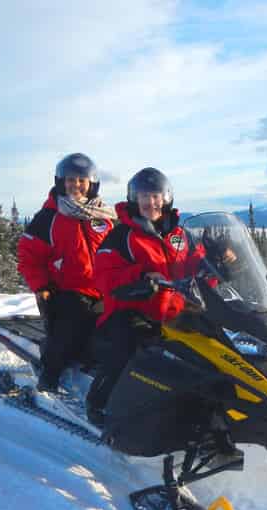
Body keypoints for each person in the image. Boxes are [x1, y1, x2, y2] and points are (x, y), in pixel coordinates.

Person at [86, 167, 210, 427]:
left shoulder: (179, 235)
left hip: (176, 311)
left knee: (211, 349)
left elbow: (198, 266)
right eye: (144, 196)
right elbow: (104, 276)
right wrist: (141, 276)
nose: (150, 202)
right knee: (128, 348)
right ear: (134, 198)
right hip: (132, 310)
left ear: (165, 198)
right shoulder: (122, 236)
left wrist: (221, 265)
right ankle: (99, 402)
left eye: (155, 196)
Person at [17, 153, 116, 392]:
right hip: (66, 290)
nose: (76, 185)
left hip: (104, 290)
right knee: (71, 328)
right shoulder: (49, 217)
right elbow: (28, 256)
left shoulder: (104, 217)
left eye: (82, 180)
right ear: (61, 181)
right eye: (71, 180)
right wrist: (41, 285)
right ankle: (49, 374)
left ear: (91, 183)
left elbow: (122, 250)